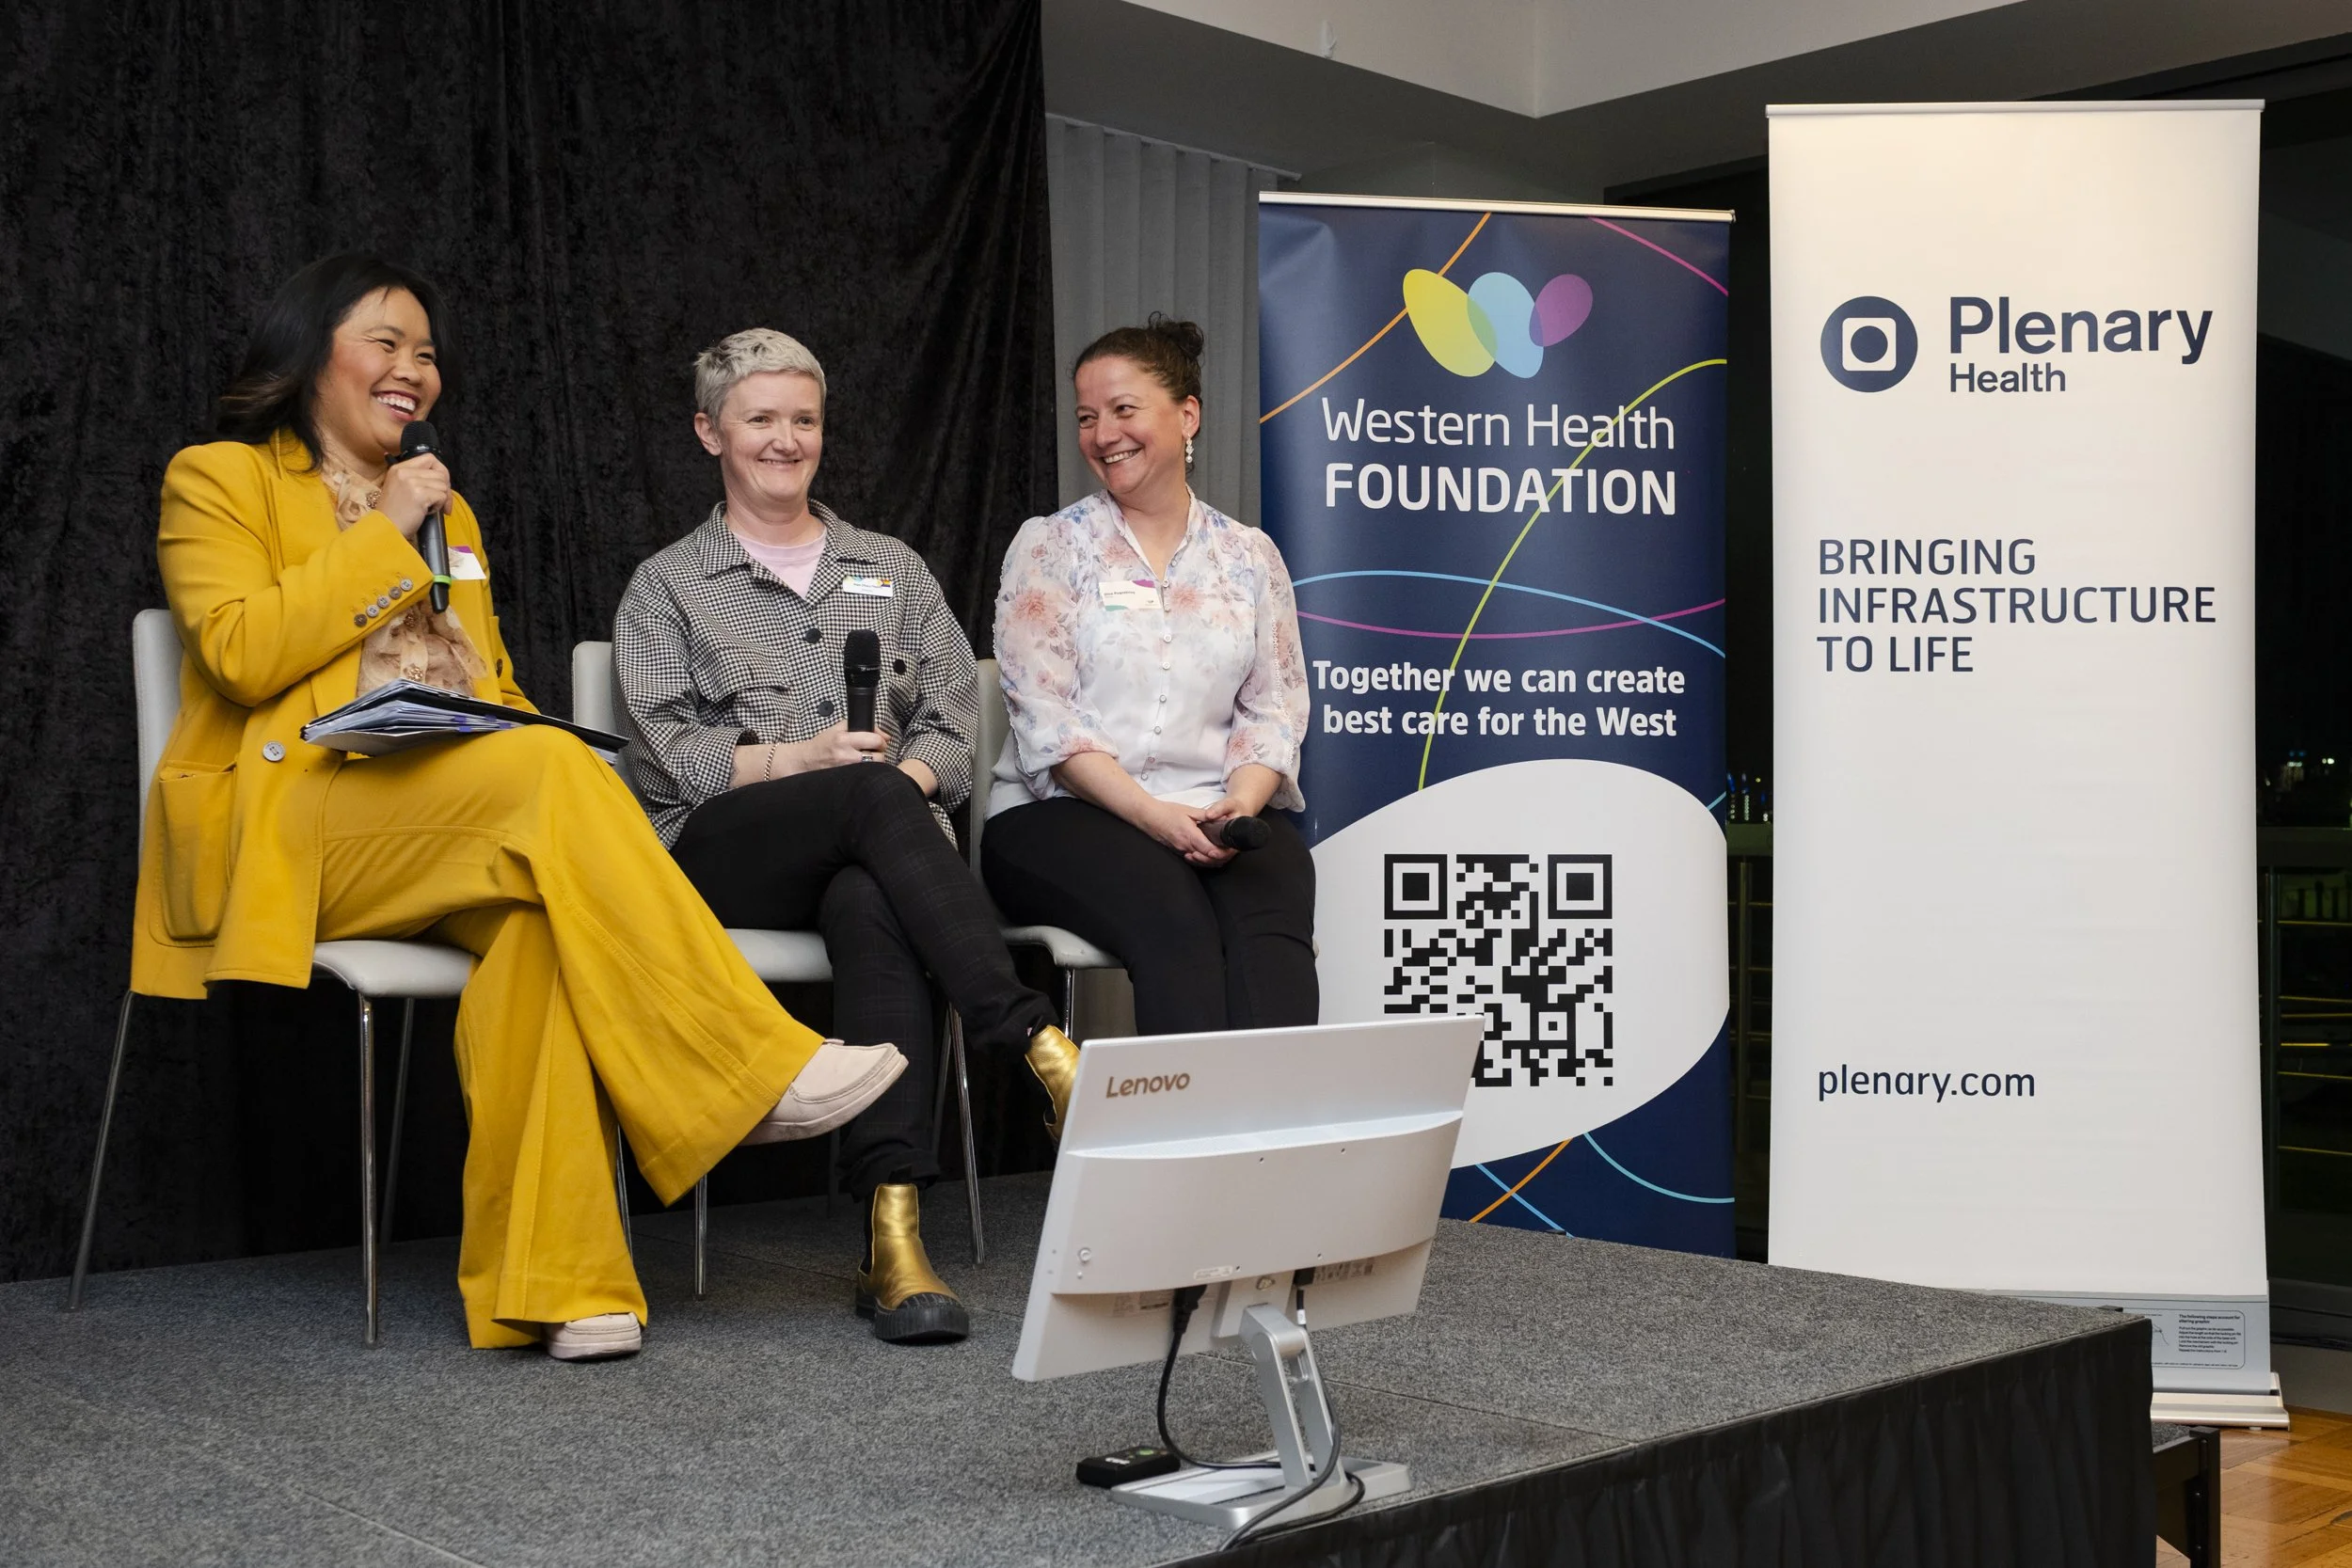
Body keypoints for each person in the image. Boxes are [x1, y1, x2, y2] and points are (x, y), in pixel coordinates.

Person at [134, 256, 907, 1363]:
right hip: (301, 827)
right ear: (312, 352)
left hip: (452, 817)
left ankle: (560, 1284)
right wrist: (386, 530)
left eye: (428, 352)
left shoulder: (456, 515)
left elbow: (482, 683)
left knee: (540, 913)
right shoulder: (220, 479)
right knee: (552, 778)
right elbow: (243, 655)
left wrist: (517, 720)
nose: (414, 369)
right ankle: (743, 1066)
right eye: (387, 343)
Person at [613, 328, 1078, 1345]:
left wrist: (904, 781)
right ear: (710, 432)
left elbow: (955, 717)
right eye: (761, 419)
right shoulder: (667, 585)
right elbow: (669, 754)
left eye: (805, 419)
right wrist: (809, 763)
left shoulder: (892, 569)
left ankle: (894, 1231)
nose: (787, 440)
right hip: (728, 856)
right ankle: (1035, 1041)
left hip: (874, 850)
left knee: (875, 894)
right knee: (868, 795)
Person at [984, 317, 1317, 1037]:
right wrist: (1153, 817)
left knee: (1277, 885)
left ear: (1187, 414)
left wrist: (1238, 805)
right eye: (1087, 417)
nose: (1104, 434)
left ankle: (1274, 1142)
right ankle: (1180, 1147)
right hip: (1061, 817)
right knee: (1173, 911)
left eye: (1124, 410)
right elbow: (1048, 720)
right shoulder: (1051, 546)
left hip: (1213, 811)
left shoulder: (1249, 556)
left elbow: (1274, 710)